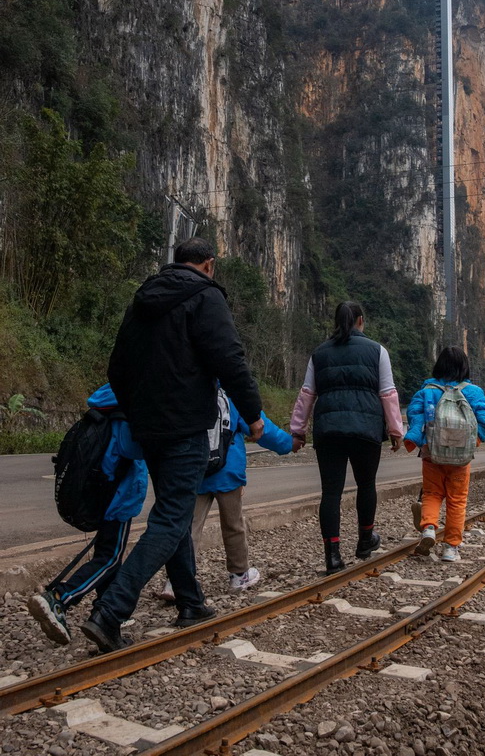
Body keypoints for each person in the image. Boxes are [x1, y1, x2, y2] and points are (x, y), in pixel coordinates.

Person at [81, 237, 264, 653]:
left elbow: (116, 367)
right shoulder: (205, 296)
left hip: (149, 428)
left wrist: (137, 411)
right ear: (209, 265)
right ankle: (110, 612)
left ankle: (191, 602)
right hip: (185, 427)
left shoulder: (143, 299)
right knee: (169, 519)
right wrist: (252, 413)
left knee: (174, 511)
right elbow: (229, 359)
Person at [290, 301, 403, 575]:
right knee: (366, 485)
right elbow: (387, 393)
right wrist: (396, 430)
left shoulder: (319, 353)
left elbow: (307, 393)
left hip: (329, 430)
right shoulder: (378, 350)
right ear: (360, 321)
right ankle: (365, 541)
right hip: (365, 429)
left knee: (331, 492)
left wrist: (298, 429)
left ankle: (333, 556)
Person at [28, 384, 147, 644]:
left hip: (100, 495)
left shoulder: (105, 405)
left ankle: (105, 611)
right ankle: (60, 598)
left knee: (107, 554)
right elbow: (139, 449)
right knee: (110, 558)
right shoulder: (125, 415)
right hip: (119, 499)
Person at [159, 397, 292, 599]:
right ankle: (239, 575)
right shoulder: (232, 395)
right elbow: (263, 428)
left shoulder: (189, 388)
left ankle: (176, 581)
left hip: (196, 470)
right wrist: (289, 444)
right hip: (228, 472)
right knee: (233, 525)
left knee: (188, 527)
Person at [405, 347, 485, 561]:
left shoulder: (428, 390)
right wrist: (475, 441)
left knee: (432, 494)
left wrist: (419, 439)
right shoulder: (472, 391)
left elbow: (414, 414)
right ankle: (451, 548)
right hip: (461, 457)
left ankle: (428, 527)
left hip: (431, 453)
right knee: (457, 500)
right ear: (464, 367)